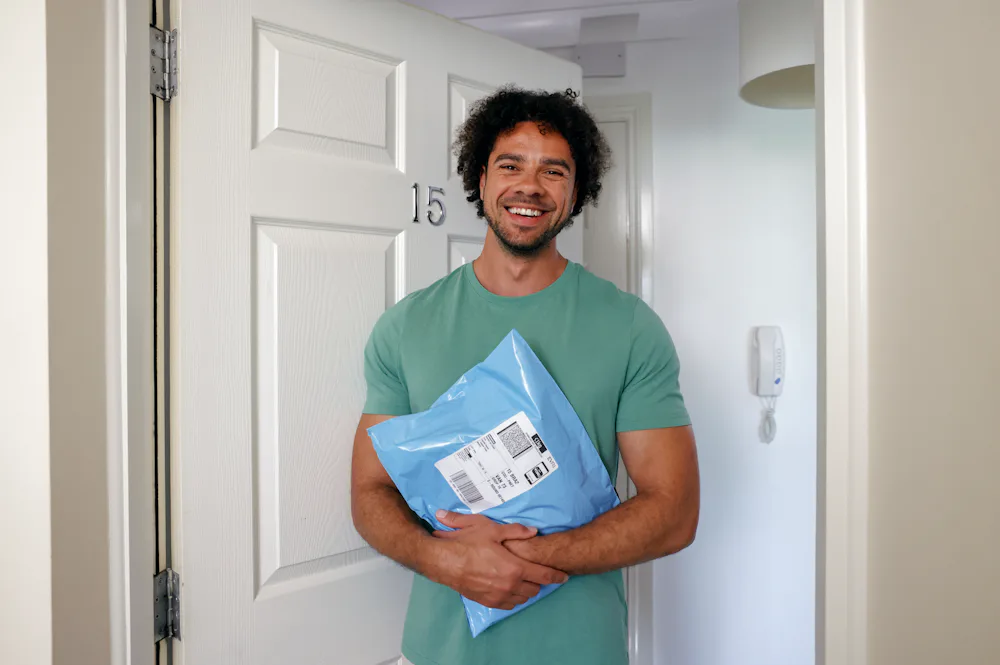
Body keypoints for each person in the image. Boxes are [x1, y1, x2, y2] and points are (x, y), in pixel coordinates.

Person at [351, 85, 700, 665]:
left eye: (554, 171)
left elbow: (674, 512)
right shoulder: (406, 326)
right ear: (480, 179)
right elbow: (370, 491)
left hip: (579, 648)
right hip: (439, 652)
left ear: (577, 190)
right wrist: (448, 560)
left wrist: (526, 557)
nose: (529, 186)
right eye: (509, 164)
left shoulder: (631, 328)